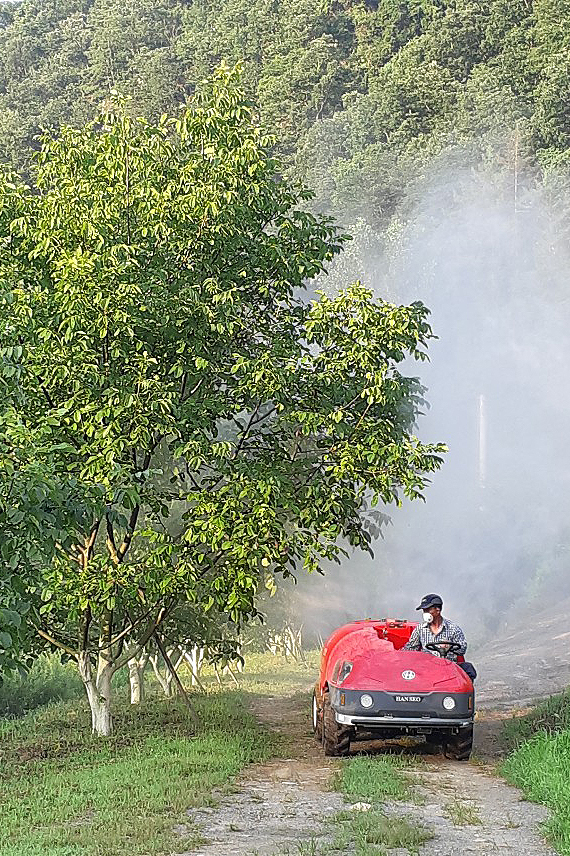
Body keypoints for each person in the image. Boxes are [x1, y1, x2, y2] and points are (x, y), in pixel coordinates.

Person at [404, 593, 467, 662]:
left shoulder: (453, 628)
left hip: (448, 666)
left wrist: (448, 646)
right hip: (427, 667)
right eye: (424, 611)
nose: (425, 613)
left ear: (438, 610)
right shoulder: (420, 629)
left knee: (469, 669)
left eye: (428, 610)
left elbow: (462, 649)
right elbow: (410, 648)